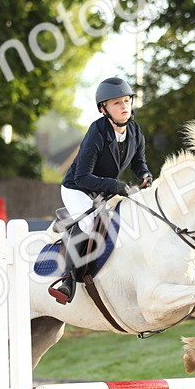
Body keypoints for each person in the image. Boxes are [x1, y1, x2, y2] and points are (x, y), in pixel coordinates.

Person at [49, 77, 153, 304]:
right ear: (103, 109)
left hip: (102, 191)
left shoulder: (134, 130)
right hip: (77, 189)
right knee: (88, 224)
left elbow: (138, 162)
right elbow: (82, 177)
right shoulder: (97, 131)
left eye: (126, 101)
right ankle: (67, 278)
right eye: (116, 103)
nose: (124, 106)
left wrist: (144, 174)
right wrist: (115, 185)